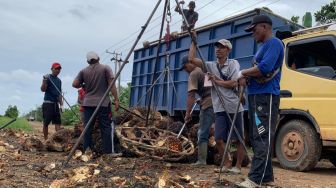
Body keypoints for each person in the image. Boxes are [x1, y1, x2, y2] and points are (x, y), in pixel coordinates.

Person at [236, 15, 284, 188]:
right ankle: (267, 177)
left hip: (266, 96)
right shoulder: (263, 47)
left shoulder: (274, 43)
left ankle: (255, 179)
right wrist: (246, 78)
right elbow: (257, 72)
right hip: (256, 96)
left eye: (254, 29)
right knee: (258, 135)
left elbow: (265, 68)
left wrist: (243, 73)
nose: (252, 34)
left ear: (264, 26)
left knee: (261, 135)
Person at [205, 39, 246, 174]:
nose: (218, 49)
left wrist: (216, 80)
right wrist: (193, 40)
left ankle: (238, 166)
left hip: (234, 106)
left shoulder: (234, 63)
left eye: (222, 47)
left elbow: (233, 83)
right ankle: (227, 162)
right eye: (217, 47)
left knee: (239, 138)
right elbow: (192, 60)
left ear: (228, 50)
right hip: (219, 107)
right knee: (218, 138)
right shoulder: (210, 66)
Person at [72, 51, 120, 154]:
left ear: (88, 61)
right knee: (106, 127)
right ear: (98, 58)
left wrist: (84, 85)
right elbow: (111, 85)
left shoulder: (83, 71)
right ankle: (108, 152)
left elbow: (75, 84)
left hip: (88, 103)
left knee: (87, 127)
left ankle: (87, 151)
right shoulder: (105, 68)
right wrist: (116, 99)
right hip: (103, 103)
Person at [178, 31, 214, 165]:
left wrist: (187, 113)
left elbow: (190, 95)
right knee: (214, 132)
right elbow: (208, 86)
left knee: (202, 133)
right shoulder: (203, 69)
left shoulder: (193, 74)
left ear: (189, 64)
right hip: (214, 101)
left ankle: (201, 161)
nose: (186, 70)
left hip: (208, 104)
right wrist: (193, 41)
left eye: (185, 67)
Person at [40, 62, 64, 140]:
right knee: (46, 123)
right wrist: (44, 80)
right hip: (48, 104)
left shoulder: (59, 81)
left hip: (55, 104)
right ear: (52, 69)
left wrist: (61, 105)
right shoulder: (48, 78)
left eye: (59, 69)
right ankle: (46, 139)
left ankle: (58, 140)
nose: (58, 70)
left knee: (58, 122)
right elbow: (43, 89)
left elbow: (59, 94)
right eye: (56, 68)